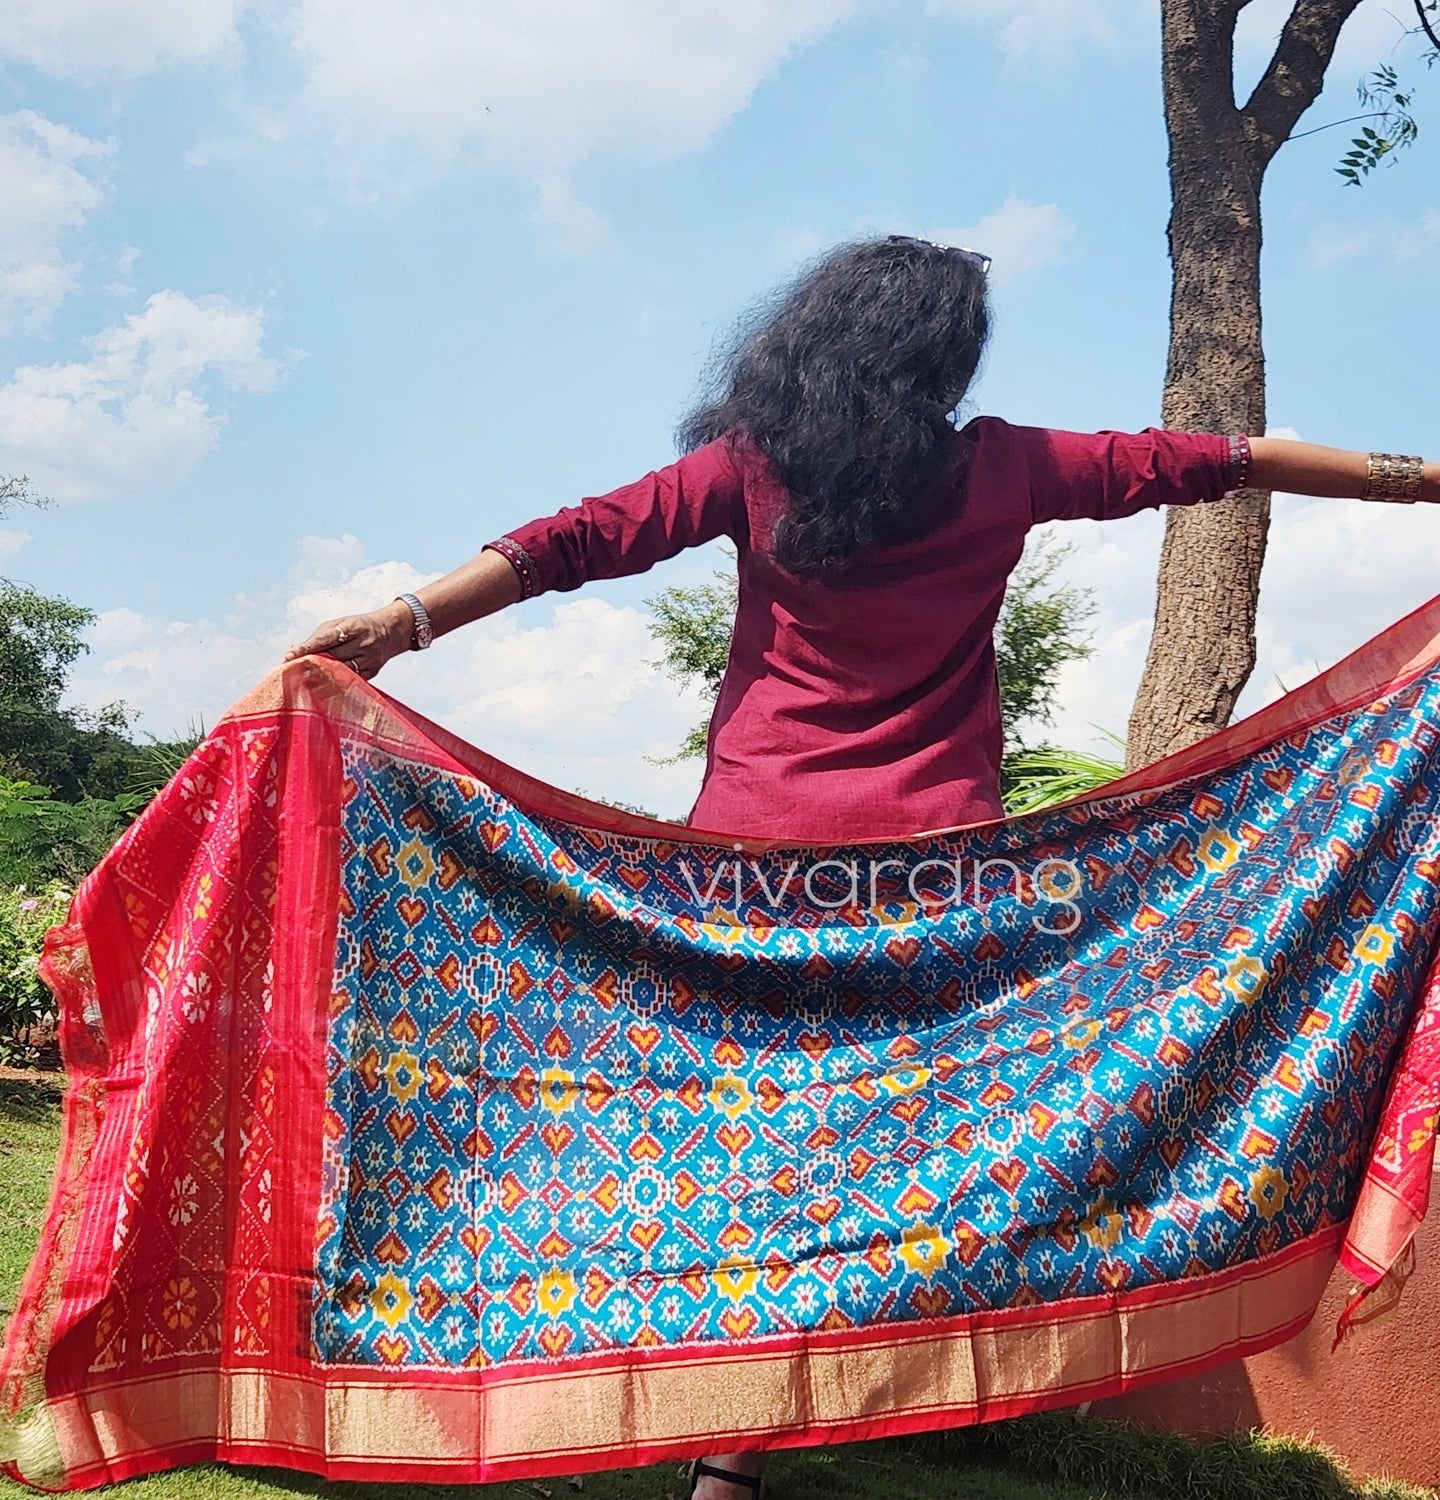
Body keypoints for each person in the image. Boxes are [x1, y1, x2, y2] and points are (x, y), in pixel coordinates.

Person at [285, 235, 1438, 1498]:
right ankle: (790, 1421)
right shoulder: (1005, 466)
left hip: (746, 865)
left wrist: (402, 622)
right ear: (946, 358)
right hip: (934, 874)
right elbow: (1224, 461)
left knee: (718, 1141)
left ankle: (654, 1410)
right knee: (885, 1139)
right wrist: (1426, 480)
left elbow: (576, 540)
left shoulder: (751, 469)